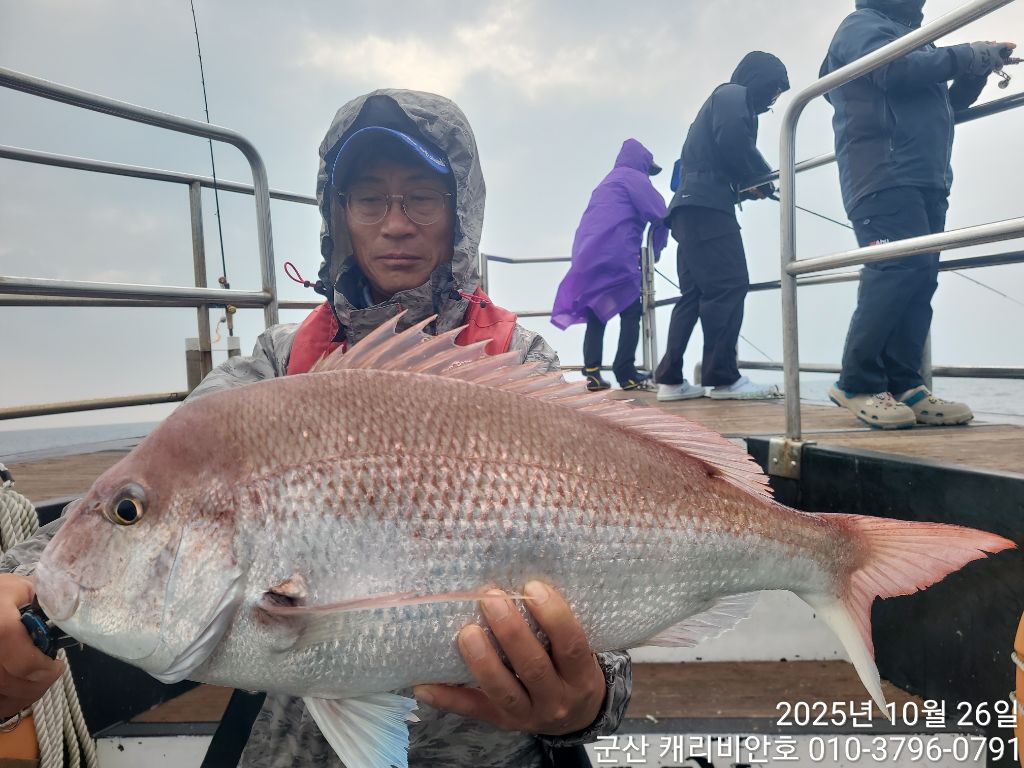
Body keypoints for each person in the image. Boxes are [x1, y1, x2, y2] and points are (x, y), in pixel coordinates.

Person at [0, 89, 631, 768]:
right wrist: (21, 578)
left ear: (461, 213)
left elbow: (614, 552)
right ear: (338, 214)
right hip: (305, 728)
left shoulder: (518, 364)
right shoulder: (279, 365)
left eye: (423, 197)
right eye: (369, 199)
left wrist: (591, 702)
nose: (396, 224)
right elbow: (151, 489)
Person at [821, 0, 1015, 428]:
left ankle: (905, 384)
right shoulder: (861, 24)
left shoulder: (914, 41)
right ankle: (856, 383)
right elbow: (892, 70)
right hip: (883, 174)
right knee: (895, 271)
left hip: (926, 178)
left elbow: (946, 107)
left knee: (921, 277)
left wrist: (976, 70)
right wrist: (968, 53)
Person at [654, 52, 790, 402]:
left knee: (693, 294)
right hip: (707, 209)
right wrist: (762, 176)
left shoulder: (721, 100)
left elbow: (719, 157)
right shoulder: (732, 93)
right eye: (774, 88)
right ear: (759, 78)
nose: (774, 98)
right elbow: (733, 140)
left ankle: (670, 381)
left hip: (688, 209)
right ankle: (724, 378)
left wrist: (748, 186)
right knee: (730, 285)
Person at [550, 139, 668, 392]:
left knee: (596, 310)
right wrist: (654, 253)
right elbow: (662, 216)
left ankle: (592, 373)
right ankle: (625, 372)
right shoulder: (635, 179)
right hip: (616, 255)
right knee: (631, 311)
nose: (648, 175)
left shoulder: (606, 183)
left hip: (587, 254)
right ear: (642, 164)